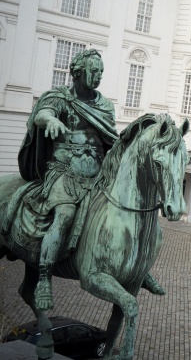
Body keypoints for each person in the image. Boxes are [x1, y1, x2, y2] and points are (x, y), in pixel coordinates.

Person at [17, 49, 118, 311]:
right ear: (77, 73)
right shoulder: (60, 97)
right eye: (93, 71)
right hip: (64, 170)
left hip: (96, 174)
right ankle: (43, 278)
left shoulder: (105, 106)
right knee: (63, 216)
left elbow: (109, 138)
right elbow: (42, 114)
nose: (98, 76)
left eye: (101, 72)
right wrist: (50, 120)